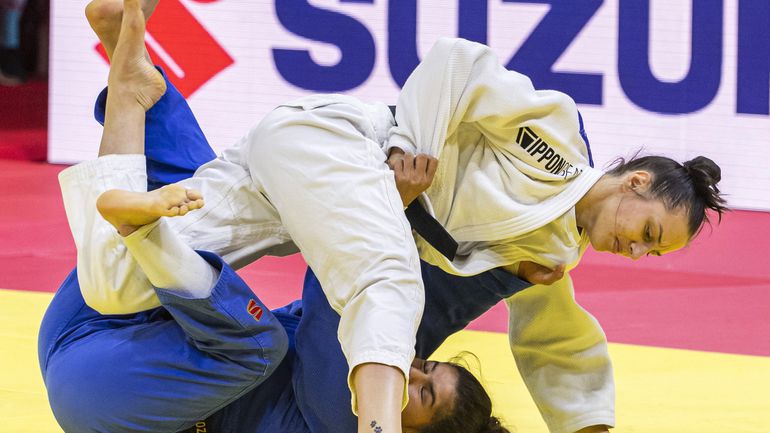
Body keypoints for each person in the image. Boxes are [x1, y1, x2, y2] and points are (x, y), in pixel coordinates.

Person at [75, 1, 729, 433]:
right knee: (389, 284)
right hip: (343, 150)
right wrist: (409, 147)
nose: (635, 252)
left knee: (119, 280)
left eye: (650, 254)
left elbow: (557, 337)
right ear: (636, 181)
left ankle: (135, 86)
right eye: (647, 232)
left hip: (292, 176)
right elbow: (457, 63)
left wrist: (588, 423)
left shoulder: (552, 254)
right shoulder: (557, 145)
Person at [39, 3, 509, 432]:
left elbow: (347, 267)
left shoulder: (349, 417)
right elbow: (433, 308)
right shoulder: (388, 369)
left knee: (261, 342)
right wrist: (512, 271)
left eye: (423, 393)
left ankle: (141, 227)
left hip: (110, 391)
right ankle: (135, 80)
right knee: (206, 206)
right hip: (108, 317)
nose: (412, 371)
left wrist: (388, 203)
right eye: (427, 366)